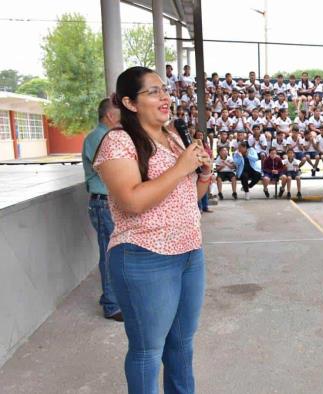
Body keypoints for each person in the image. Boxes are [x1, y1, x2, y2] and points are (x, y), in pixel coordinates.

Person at [93, 66, 211, 393]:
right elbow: (131, 201)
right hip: (144, 257)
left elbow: (186, 198)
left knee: (182, 345)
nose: (165, 97)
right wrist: (180, 167)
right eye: (154, 91)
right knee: (148, 351)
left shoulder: (173, 137)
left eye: (165, 89)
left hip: (189, 253)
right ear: (130, 103)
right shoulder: (118, 142)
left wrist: (202, 174)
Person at [81, 98, 122, 322]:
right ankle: (112, 304)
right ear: (109, 116)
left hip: (107, 202)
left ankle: (111, 296)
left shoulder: (105, 137)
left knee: (112, 252)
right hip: (103, 202)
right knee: (110, 254)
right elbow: (112, 170)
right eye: (119, 112)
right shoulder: (99, 138)